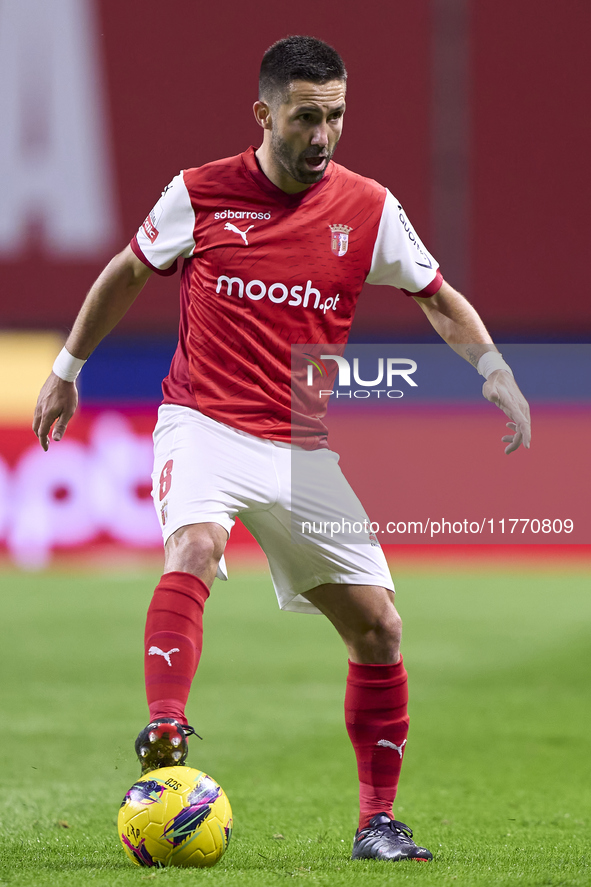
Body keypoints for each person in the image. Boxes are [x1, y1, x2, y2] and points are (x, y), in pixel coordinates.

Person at [33, 36, 531, 863]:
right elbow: (126, 270)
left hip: (298, 447)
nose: (323, 135)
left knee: (378, 628)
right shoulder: (199, 194)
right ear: (264, 114)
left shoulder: (368, 208)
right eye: (307, 117)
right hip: (200, 423)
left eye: (335, 116)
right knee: (194, 541)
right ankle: (165, 723)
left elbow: (435, 296)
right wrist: (65, 369)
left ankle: (378, 821)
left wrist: (494, 369)